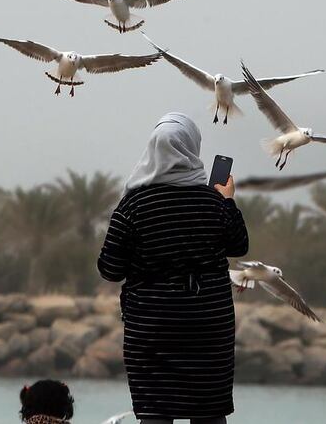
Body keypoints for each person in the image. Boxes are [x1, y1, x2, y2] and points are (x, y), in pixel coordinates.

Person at [98, 112, 249, 424]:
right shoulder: (213, 201)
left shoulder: (133, 205)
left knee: (156, 410)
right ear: (192, 147)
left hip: (153, 326)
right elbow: (238, 246)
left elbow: (110, 269)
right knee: (209, 409)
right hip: (209, 324)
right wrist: (228, 200)